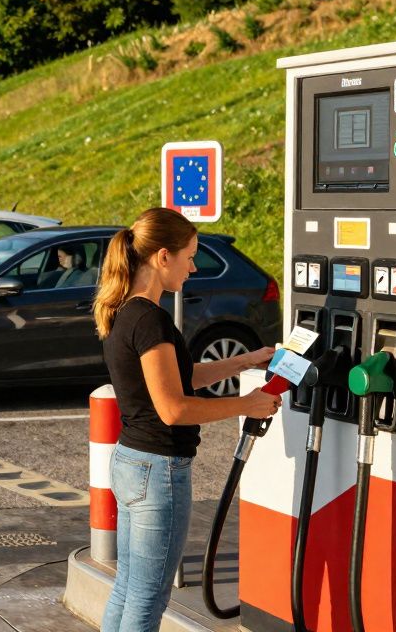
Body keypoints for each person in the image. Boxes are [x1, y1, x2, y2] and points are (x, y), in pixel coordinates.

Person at [94, 207, 280, 632]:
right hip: (158, 469)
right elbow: (173, 408)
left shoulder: (128, 311)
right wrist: (247, 404)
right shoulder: (151, 320)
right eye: (190, 256)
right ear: (163, 257)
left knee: (127, 588)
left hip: (131, 462)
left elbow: (184, 376)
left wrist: (245, 361)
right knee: (147, 598)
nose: (193, 268)